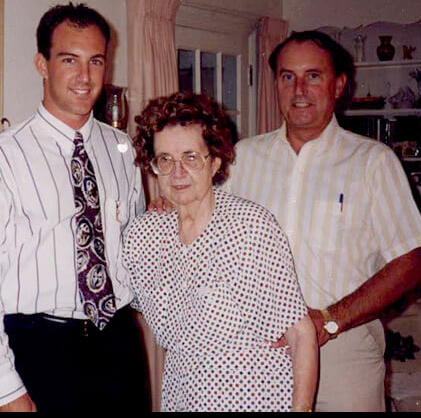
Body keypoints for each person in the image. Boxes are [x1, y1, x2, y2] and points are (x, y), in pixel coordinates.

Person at [0, 3, 149, 413]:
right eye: (68, 60)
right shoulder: (0, 158)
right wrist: (7, 393)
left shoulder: (122, 149)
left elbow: (136, 252)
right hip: (38, 350)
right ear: (42, 63)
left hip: (118, 346)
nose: (85, 76)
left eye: (96, 61)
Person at [221, 31, 421, 411]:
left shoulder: (373, 161)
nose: (299, 89)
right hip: (256, 351)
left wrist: (330, 320)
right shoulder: (242, 158)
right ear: (275, 85)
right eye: (288, 77)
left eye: (313, 76)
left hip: (342, 352)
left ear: (338, 86)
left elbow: (409, 264)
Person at [124, 92, 318, 412]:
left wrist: (302, 410)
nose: (177, 172)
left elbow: (300, 332)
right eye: (165, 159)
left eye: (190, 157)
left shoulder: (251, 227)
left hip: (258, 398)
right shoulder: (142, 236)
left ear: (214, 162)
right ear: (153, 165)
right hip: (183, 398)